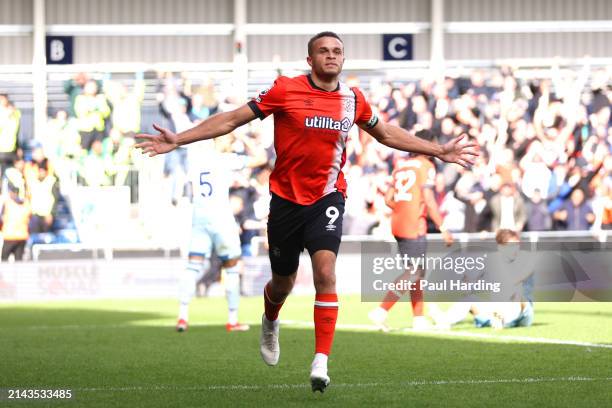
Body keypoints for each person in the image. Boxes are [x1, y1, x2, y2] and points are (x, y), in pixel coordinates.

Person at [135, 31, 478, 393]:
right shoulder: (284, 89)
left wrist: (437, 150)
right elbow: (233, 119)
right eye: (323, 51)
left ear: (343, 59)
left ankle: (321, 362)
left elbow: (387, 134)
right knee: (282, 282)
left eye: (337, 51)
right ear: (310, 60)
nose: (331, 56)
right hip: (285, 200)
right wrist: (180, 138)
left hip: (327, 198)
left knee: (326, 272)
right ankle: (270, 319)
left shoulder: (353, 100)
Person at [176, 134, 265, 333]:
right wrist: (246, 139)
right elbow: (261, 159)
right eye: (229, 139)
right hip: (221, 218)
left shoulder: (197, 160)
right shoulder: (227, 160)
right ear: (219, 140)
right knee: (232, 267)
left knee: (192, 267)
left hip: (199, 217)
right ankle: (232, 320)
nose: (232, 142)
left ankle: (182, 317)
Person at [368, 141, 454, 331]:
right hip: (414, 225)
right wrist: (443, 227)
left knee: (417, 272)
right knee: (414, 272)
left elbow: (389, 199)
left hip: (398, 223)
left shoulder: (400, 166)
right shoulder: (426, 166)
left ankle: (419, 319)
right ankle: (381, 311)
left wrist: (403, 209)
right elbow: (430, 200)